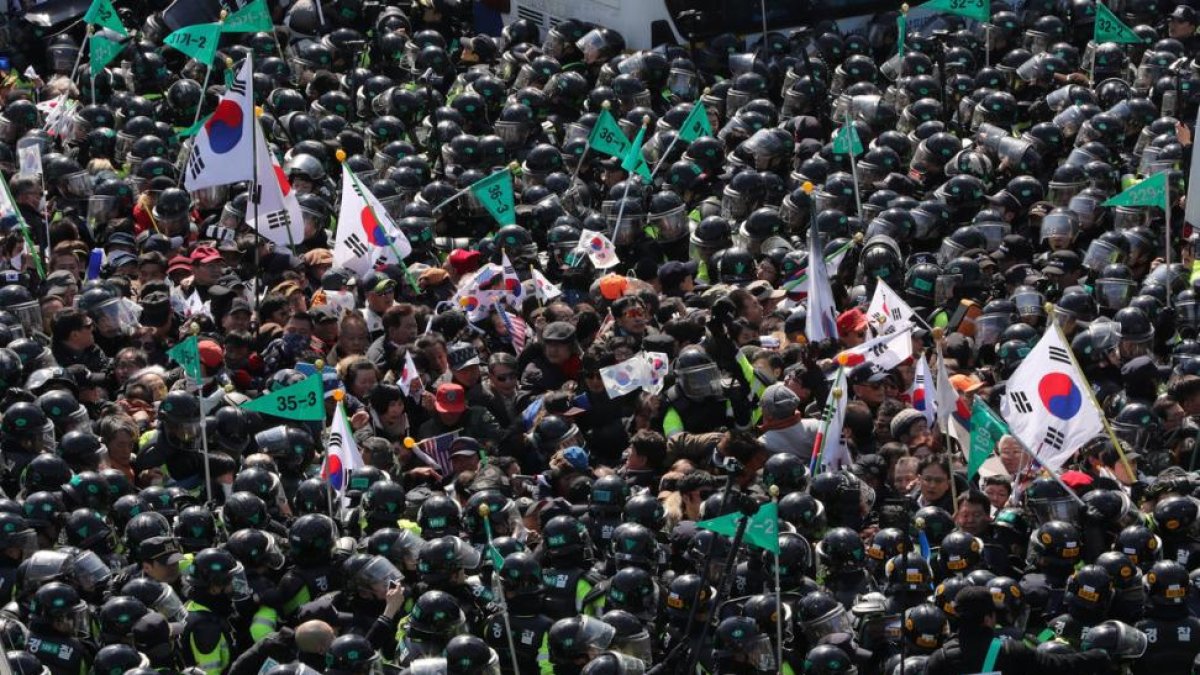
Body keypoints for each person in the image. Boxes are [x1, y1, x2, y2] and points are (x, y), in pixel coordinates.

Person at [925, 586, 1112, 674]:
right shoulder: (1011, 651)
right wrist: (1098, 655)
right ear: (988, 618)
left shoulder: (940, 659)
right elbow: (1060, 665)